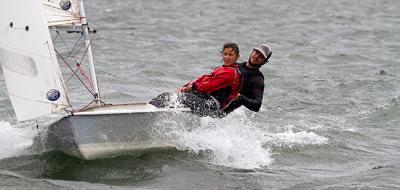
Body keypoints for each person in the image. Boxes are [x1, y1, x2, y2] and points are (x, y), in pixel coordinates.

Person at [149, 43, 242, 117]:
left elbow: (209, 86)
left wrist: (191, 87)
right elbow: (202, 79)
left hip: (211, 105)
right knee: (168, 97)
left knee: (170, 97)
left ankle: (149, 111)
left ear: (237, 57)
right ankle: (151, 108)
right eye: (225, 54)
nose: (227, 57)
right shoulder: (222, 69)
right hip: (203, 99)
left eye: (230, 55)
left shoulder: (231, 73)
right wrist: (185, 87)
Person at [222, 44, 272, 114]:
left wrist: (240, 97)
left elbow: (257, 105)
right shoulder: (235, 65)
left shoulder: (257, 80)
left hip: (218, 114)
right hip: (211, 99)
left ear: (264, 62)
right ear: (252, 51)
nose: (256, 56)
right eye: (256, 52)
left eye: (261, 56)